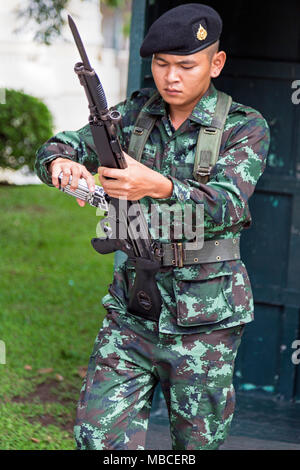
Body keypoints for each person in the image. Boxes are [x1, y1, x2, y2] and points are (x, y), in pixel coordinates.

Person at [35, 3, 270, 450]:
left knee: (195, 446)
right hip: (132, 311)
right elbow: (58, 145)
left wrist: (157, 185)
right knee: (97, 438)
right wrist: (62, 163)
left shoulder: (244, 127)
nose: (171, 77)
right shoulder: (137, 112)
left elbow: (227, 206)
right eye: (161, 65)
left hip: (206, 318)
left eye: (186, 65)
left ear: (215, 63)